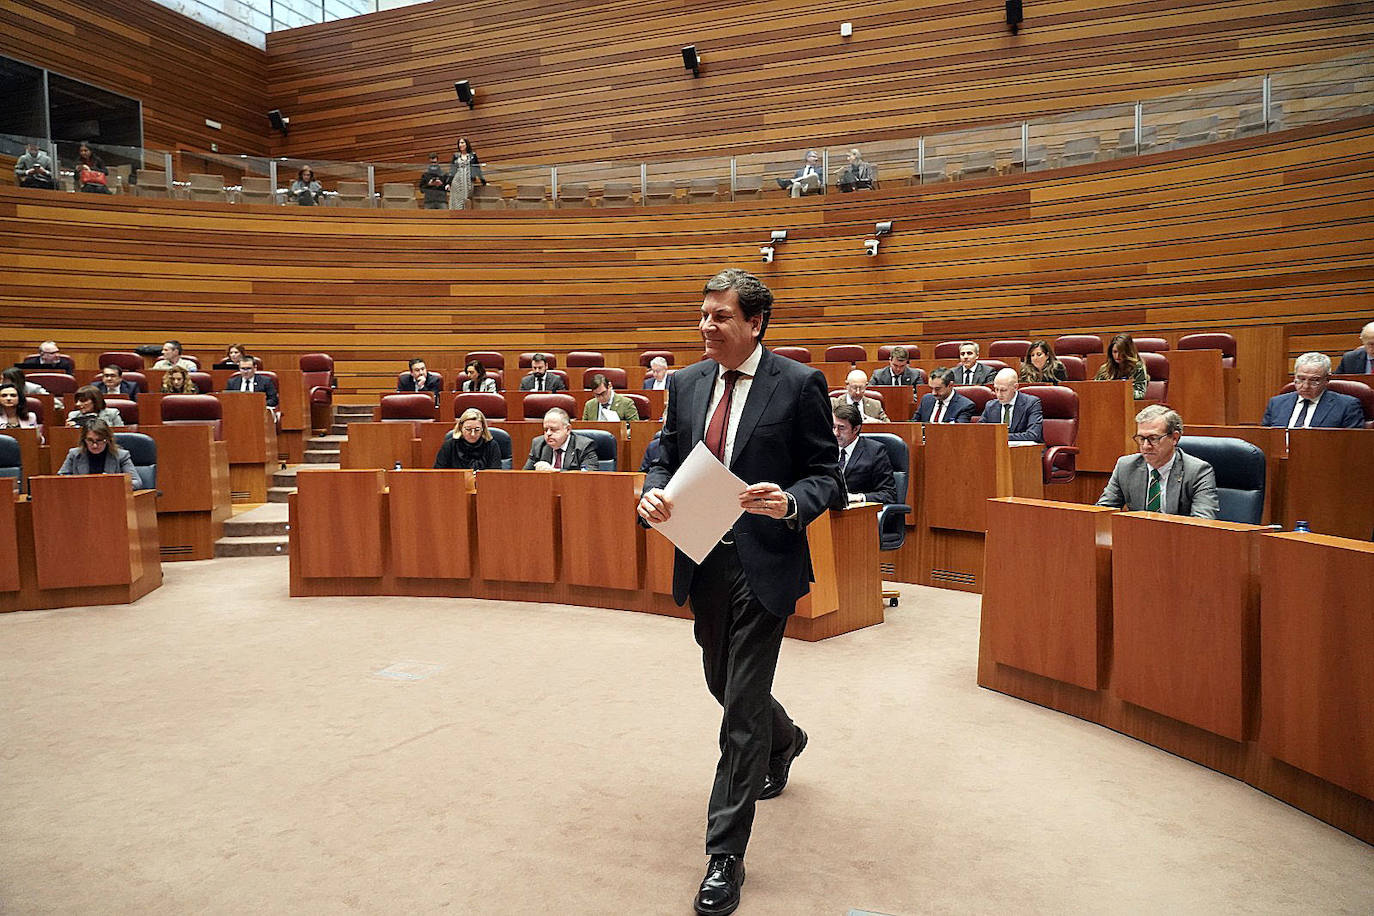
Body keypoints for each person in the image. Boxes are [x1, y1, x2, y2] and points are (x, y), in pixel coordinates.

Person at [638, 269, 842, 916]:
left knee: (740, 706)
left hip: (766, 561)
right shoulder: (686, 382)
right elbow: (664, 450)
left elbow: (825, 476)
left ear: (755, 323)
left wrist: (789, 503)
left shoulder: (799, 384)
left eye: (720, 317)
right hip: (703, 559)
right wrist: (652, 485)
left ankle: (724, 854)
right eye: (703, 314)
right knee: (721, 682)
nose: (706, 326)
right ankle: (785, 741)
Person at [1096, 405, 1218, 518]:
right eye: (1141, 438)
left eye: (1153, 439)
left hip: (1178, 538)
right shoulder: (1126, 467)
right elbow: (1102, 513)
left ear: (1174, 438)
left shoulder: (1198, 472)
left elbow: (1202, 522)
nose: (1145, 446)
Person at [1260, 352, 1364, 429]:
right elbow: (1265, 439)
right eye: (1301, 379)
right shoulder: (1277, 403)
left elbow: (1352, 445)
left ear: (1327, 379)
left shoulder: (1346, 406)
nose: (1305, 386)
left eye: (1314, 380)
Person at [833, 403, 897, 505]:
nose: (836, 433)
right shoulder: (827, 450)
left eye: (841, 428)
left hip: (859, 513)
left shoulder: (875, 452)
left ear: (856, 429)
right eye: (833, 427)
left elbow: (889, 494)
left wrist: (859, 497)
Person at [57, 420, 138, 487]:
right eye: (90, 440)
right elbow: (60, 479)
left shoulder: (121, 456)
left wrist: (113, 483)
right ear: (84, 440)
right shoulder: (74, 454)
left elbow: (136, 482)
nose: (95, 445)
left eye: (99, 440)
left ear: (107, 440)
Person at [523, 408, 598, 470]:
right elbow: (525, 477)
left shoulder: (585, 446)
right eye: (546, 429)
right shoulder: (538, 444)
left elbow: (588, 478)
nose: (548, 433)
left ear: (568, 429)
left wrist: (554, 471)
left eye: (553, 429)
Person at [981, 369, 1043, 441]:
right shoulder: (990, 406)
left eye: (1003, 390)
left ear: (1015, 387)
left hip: (1025, 450)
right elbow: (979, 432)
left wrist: (1000, 437)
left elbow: (1033, 435)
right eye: (996, 389)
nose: (998, 394)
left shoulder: (1031, 403)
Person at [434, 408, 503, 470]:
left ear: (483, 429)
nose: (473, 434)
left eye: (477, 429)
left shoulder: (491, 446)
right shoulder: (449, 446)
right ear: (461, 427)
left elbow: (495, 475)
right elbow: (439, 474)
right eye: (468, 429)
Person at [1094, 333, 1149, 399]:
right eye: (1115, 352)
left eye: (1121, 352)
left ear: (1128, 352)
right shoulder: (1104, 369)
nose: (1117, 356)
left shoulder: (1137, 367)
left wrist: (1118, 392)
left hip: (1129, 404)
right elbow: (1095, 390)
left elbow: (1140, 393)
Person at [448, 137, 487, 210]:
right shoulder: (456, 156)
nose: (460, 145)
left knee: (467, 199)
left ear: (467, 144)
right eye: (459, 143)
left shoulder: (472, 155)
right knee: (457, 200)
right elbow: (452, 170)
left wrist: (483, 181)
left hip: (468, 180)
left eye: (462, 143)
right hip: (457, 181)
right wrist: (448, 183)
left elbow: (477, 169)